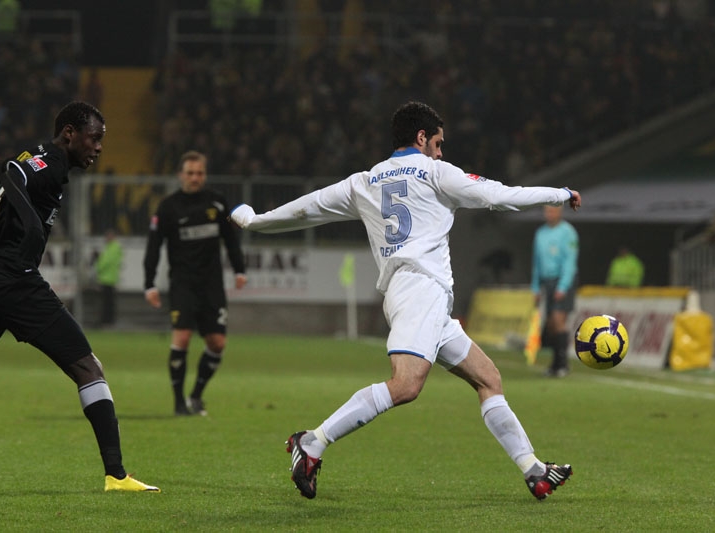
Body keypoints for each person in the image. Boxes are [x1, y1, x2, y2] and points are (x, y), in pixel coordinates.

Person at [229, 101, 581, 501]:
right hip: (421, 292)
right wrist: (559, 193)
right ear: (421, 137)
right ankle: (312, 442)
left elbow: (307, 209)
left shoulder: (364, 181)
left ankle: (533, 470)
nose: (441, 152)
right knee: (406, 385)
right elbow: (499, 196)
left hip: (416, 297)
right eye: (438, 143)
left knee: (488, 378)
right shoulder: (435, 173)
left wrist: (254, 220)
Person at [0, 101, 159, 492]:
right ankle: (116, 476)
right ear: (69, 134)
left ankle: (116, 475)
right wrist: (30, 220)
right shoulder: (49, 162)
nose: (98, 147)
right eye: (94, 138)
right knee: (89, 368)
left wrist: (23, 209)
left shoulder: (42, 159)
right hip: (14, 282)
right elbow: (10, 172)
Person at [143, 150, 247, 416]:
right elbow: (154, 246)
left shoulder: (218, 203)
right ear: (181, 175)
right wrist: (149, 283)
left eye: (199, 173)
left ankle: (196, 396)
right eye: (190, 173)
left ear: (205, 175)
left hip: (212, 284)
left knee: (217, 343)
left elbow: (231, 239)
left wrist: (239, 269)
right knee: (182, 337)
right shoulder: (168, 207)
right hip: (183, 283)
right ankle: (179, 403)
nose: (195, 178)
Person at [530, 205, 579, 378]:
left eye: (552, 211)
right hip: (547, 281)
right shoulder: (540, 233)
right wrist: (536, 287)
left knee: (558, 320)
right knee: (551, 325)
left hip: (562, 280)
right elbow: (536, 262)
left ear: (559, 212)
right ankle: (555, 364)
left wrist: (563, 286)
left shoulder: (568, 232)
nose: (549, 214)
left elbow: (570, 261)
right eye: (547, 211)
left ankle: (562, 364)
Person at [95, 228, 123, 327]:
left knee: (107, 302)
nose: (106, 238)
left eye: (108, 236)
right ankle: (108, 320)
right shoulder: (112, 247)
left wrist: (98, 267)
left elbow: (105, 261)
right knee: (108, 301)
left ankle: (107, 321)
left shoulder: (113, 247)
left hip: (108, 278)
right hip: (108, 278)